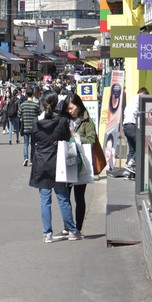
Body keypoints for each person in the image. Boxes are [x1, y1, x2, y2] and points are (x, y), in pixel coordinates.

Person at [30, 90, 82, 243]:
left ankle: (47, 234)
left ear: (42, 104)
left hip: (41, 163)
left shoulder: (36, 122)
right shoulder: (61, 121)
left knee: (45, 200)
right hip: (58, 163)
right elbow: (67, 139)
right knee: (63, 198)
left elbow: (34, 140)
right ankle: (72, 231)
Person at [61, 93, 97, 237]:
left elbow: (91, 140)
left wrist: (75, 136)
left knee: (79, 196)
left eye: (71, 108)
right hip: (68, 159)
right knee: (65, 195)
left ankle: (78, 228)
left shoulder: (87, 121)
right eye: (67, 109)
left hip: (81, 162)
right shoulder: (64, 120)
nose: (69, 111)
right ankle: (68, 226)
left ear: (79, 106)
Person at [122, 87, 149, 174]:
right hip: (132, 126)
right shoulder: (140, 98)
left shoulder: (132, 99)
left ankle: (127, 172)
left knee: (132, 149)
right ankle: (130, 164)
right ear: (143, 94)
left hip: (126, 127)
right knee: (142, 145)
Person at [18, 87, 40, 167]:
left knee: (25, 144)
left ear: (26, 94)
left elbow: (18, 114)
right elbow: (40, 114)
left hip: (26, 127)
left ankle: (25, 158)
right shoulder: (36, 105)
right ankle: (32, 160)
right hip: (34, 127)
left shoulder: (23, 105)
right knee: (33, 144)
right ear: (33, 94)